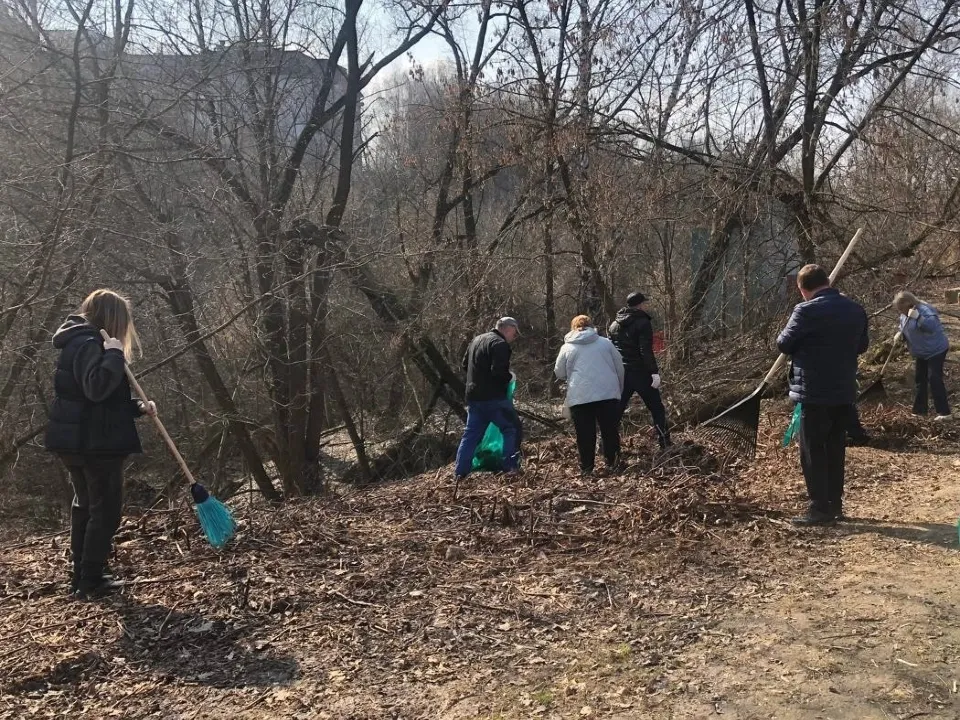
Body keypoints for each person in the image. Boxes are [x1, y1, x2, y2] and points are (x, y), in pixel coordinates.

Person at [44, 289, 157, 599]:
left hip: (81, 439)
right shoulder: (90, 343)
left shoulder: (83, 341)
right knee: (105, 512)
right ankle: (91, 579)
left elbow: (96, 399)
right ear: (113, 318)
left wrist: (137, 407)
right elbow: (96, 388)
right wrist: (114, 354)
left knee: (86, 507)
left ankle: (83, 576)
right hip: (93, 445)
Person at [776, 265, 868, 525]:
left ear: (802, 288)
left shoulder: (805, 311)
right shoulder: (854, 309)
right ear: (827, 281)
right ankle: (835, 503)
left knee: (813, 450)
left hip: (814, 391)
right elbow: (862, 345)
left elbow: (784, 343)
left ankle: (819, 508)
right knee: (835, 447)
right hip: (844, 389)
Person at [554, 315, 625, 476]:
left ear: (573, 327)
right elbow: (620, 366)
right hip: (607, 393)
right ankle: (612, 462)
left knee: (585, 434)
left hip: (580, 396)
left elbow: (559, 372)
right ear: (591, 326)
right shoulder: (605, 343)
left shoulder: (567, 347)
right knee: (609, 430)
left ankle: (587, 467)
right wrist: (618, 389)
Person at [454, 317, 522, 481]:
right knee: (511, 427)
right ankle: (510, 468)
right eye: (514, 333)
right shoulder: (500, 344)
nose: (514, 337)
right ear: (508, 328)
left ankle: (460, 472)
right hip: (494, 398)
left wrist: (479, 378)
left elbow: (465, 365)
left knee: (471, 434)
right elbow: (498, 372)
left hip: (473, 396)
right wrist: (509, 377)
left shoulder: (476, 340)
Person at [609, 292, 671, 448]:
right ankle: (664, 443)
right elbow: (645, 350)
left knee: (616, 411)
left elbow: (612, 351)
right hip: (640, 372)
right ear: (639, 305)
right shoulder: (642, 322)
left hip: (622, 373)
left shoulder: (614, 324)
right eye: (644, 303)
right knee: (656, 408)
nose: (646, 305)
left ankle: (608, 446)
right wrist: (654, 372)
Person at [894, 290, 951, 420]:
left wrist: (918, 317)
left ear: (909, 303)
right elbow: (903, 326)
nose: (900, 311)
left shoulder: (925, 310)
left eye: (901, 308)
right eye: (899, 310)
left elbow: (932, 327)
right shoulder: (904, 314)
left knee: (934, 379)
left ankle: (944, 412)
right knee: (920, 380)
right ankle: (920, 411)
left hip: (935, 350)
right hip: (921, 352)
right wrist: (899, 334)